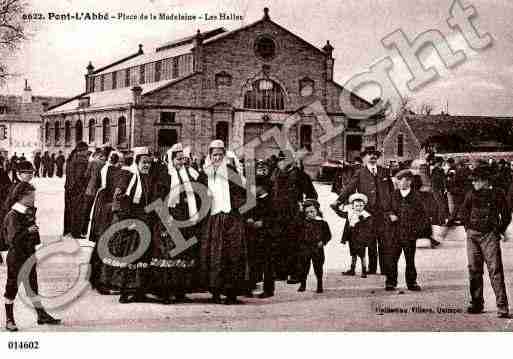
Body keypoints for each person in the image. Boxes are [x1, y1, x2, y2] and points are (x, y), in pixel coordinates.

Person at [450, 163, 510, 318]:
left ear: (486, 181)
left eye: (476, 180)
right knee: (474, 269)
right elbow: (464, 213)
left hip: (489, 235)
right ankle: (476, 303)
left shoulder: (498, 194)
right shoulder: (471, 194)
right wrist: (469, 229)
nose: (473, 183)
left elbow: (506, 215)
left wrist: (498, 230)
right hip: (473, 236)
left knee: (495, 270)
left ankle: (502, 307)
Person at [3, 182, 61, 331]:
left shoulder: (27, 212)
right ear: (22, 197)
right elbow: (11, 240)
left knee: (33, 287)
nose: (34, 199)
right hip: (16, 257)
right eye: (32, 196)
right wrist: (28, 231)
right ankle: (9, 319)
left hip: (29, 255)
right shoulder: (13, 215)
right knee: (12, 288)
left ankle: (41, 315)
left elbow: (32, 235)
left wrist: (33, 235)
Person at [151, 143, 203, 304]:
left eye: (183, 159)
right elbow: (157, 198)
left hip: (185, 219)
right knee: (168, 254)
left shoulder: (189, 174)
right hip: (169, 218)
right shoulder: (164, 175)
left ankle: (180, 291)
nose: (181, 162)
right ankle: (165, 292)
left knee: (185, 255)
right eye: (178, 159)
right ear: (171, 160)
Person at [199, 140, 248, 305]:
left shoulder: (231, 171)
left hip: (231, 219)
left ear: (224, 156)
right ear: (210, 156)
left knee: (231, 255)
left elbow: (242, 194)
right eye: (214, 155)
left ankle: (231, 293)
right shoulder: (205, 173)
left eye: (220, 155)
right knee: (214, 255)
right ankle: (215, 291)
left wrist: (236, 209)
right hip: (212, 219)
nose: (217, 158)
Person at [331, 147, 393, 276]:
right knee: (370, 240)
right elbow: (349, 188)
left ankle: (385, 268)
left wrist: (393, 209)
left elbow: (391, 191)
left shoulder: (385, 172)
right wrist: (338, 201)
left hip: (383, 212)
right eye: (369, 154)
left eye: (375, 155)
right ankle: (371, 268)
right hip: (367, 212)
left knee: (384, 240)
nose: (372, 157)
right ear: (364, 158)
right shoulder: (360, 173)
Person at [114, 147, 159, 304]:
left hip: (146, 221)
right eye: (143, 162)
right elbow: (118, 197)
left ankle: (140, 290)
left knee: (144, 257)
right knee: (130, 255)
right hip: (131, 221)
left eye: (148, 163)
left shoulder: (149, 178)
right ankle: (125, 291)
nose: (146, 165)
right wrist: (127, 219)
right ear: (137, 162)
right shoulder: (128, 175)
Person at [270, 149, 314, 283]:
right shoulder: (275, 174)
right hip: (277, 214)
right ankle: (281, 272)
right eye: (280, 160)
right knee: (279, 243)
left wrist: (304, 206)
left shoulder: (300, 175)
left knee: (295, 244)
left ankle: (297, 274)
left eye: (284, 160)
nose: (281, 163)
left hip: (294, 214)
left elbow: (312, 195)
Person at [384, 169, 428, 291]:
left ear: (410, 181)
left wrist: (416, 230)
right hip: (394, 233)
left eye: (404, 180)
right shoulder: (393, 195)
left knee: (410, 260)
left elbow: (422, 215)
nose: (401, 183)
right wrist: (390, 214)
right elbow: (386, 209)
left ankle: (412, 282)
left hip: (409, 234)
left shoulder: (416, 196)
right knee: (392, 259)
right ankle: (390, 282)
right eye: (399, 180)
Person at [88, 151, 125, 294]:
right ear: (117, 161)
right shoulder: (115, 172)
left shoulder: (104, 168)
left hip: (101, 205)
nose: (122, 164)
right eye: (121, 161)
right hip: (108, 208)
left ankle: (96, 278)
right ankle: (102, 280)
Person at [246, 159, 275, 298]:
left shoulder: (271, 201)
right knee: (253, 262)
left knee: (267, 264)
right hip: (254, 235)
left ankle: (269, 290)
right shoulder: (253, 200)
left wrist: (263, 223)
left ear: (261, 188)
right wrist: (249, 220)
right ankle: (250, 286)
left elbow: (274, 218)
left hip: (267, 236)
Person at [295, 199, 331, 293]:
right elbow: (296, 235)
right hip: (305, 248)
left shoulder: (322, 223)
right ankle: (303, 284)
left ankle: (319, 284)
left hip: (317, 248)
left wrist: (323, 242)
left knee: (318, 267)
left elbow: (328, 235)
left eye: (313, 211)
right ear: (304, 213)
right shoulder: (301, 223)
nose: (311, 214)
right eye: (308, 212)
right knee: (303, 267)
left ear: (317, 211)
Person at [335, 193, 374, 278]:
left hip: (361, 238)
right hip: (352, 237)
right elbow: (341, 214)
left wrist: (362, 220)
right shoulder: (350, 213)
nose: (359, 207)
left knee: (362, 255)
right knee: (353, 253)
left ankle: (364, 270)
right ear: (352, 206)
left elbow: (369, 227)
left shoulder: (366, 215)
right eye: (356, 205)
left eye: (361, 205)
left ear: (364, 205)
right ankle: (352, 269)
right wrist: (337, 208)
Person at [82, 147, 110, 238]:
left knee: (86, 211)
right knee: (97, 212)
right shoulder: (106, 164)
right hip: (102, 191)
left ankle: (84, 230)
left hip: (90, 190)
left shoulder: (93, 162)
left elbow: (86, 175)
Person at [63, 142, 89, 239]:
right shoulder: (82, 160)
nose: (87, 152)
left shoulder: (71, 158)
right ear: (83, 150)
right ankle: (76, 233)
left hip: (68, 188)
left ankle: (67, 230)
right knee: (78, 211)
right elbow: (79, 176)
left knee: (68, 210)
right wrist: (82, 187)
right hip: (77, 189)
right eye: (86, 150)